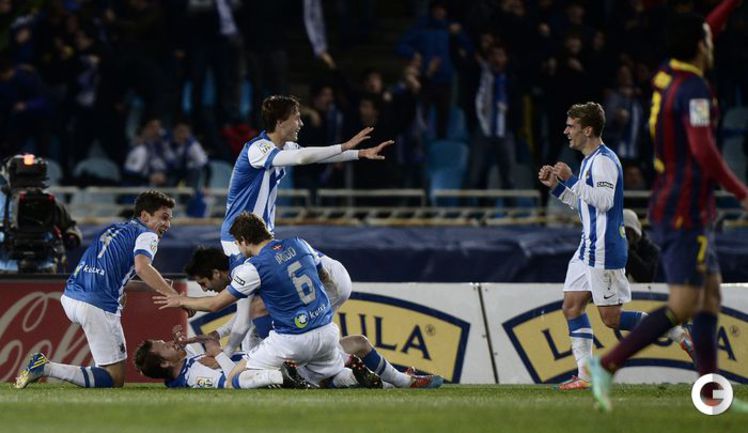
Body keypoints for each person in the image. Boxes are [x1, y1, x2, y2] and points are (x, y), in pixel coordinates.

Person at [587, 2, 748, 412]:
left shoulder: (667, 73)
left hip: (684, 203)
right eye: (708, 39)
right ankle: (607, 364)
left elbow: (704, 27)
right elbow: (703, 150)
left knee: (709, 297)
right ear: (699, 46)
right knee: (684, 304)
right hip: (683, 207)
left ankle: (710, 395)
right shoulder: (694, 90)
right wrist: (742, 192)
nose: (713, 40)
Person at [539, 102, 691, 391]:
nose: (566, 131)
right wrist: (557, 187)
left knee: (611, 319)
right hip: (587, 246)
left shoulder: (604, 161)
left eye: (571, 126)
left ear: (588, 130)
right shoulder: (589, 160)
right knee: (572, 307)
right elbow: (585, 205)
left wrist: (570, 179)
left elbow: (604, 202)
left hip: (604, 249)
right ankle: (585, 375)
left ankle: (677, 332)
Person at [156, 212, 378, 388]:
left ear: (244, 241)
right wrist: (219, 334)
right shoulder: (296, 243)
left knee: (236, 377)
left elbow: (226, 311)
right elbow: (322, 276)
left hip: (296, 334)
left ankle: (281, 374)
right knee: (320, 372)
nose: (238, 250)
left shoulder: (251, 267)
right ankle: (368, 375)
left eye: (237, 243)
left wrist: (182, 301)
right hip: (326, 318)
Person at [183, 247, 442, 389]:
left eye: (204, 283)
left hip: (326, 289)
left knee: (299, 355)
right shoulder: (274, 251)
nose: (206, 289)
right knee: (354, 344)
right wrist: (220, 333)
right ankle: (392, 378)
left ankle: (352, 374)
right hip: (332, 279)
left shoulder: (246, 270)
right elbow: (244, 317)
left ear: (217, 273)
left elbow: (243, 320)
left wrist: (222, 353)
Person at [15, 190, 180, 389]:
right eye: (163, 217)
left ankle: (71, 370)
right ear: (145, 216)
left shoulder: (113, 229)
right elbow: (142, 267)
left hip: (71, 298)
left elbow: (111, 276)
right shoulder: (147, 234)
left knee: (107, 369)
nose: (167, 224)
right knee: (114, 379)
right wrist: (176, 297)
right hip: (96, 304)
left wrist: (153, 286)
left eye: (170, 219)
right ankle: (46, 368)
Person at [219, 94, 392, 256]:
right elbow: (302, 157)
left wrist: (360, 153)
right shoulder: (257, 148)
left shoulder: (285, 147)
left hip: (260, 238)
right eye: (297, 118)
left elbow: (317, 157)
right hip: (239, 239)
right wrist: (344, 146)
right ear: (280, 122)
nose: (301, 124)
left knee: (315, 267)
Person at [134, 328, 314, 389]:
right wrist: (218, 353)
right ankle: (280, 377)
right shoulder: (195, 376)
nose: (170, 343)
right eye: (166, 346)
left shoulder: (183, 368)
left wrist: (184, 342)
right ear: (165, 363)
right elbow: (231, 382)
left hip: (258, 356)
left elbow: (189, 358)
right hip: (265, 365)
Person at [622, 209, 660, 283]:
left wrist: (628, 254)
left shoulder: (651, 250)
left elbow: (647, 278)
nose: (626, 234)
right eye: (623, 231)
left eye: (628, 230)